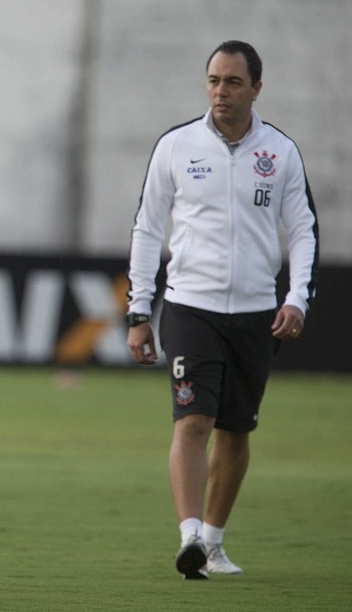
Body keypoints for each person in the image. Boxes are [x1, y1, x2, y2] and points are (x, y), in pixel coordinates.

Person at [126, 40, 319, 580]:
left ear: (257, 88)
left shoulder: (279, 153)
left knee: (236, 430)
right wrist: (139, 311)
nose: (220, 91)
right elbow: (147, 229)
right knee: (194, 420)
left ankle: (211, 542)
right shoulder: (176, 146)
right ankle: (188, 536)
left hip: (257, 312)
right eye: (213, 80)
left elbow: (303, 229)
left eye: (233, 82)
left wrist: (296, 297)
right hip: (191, 306)